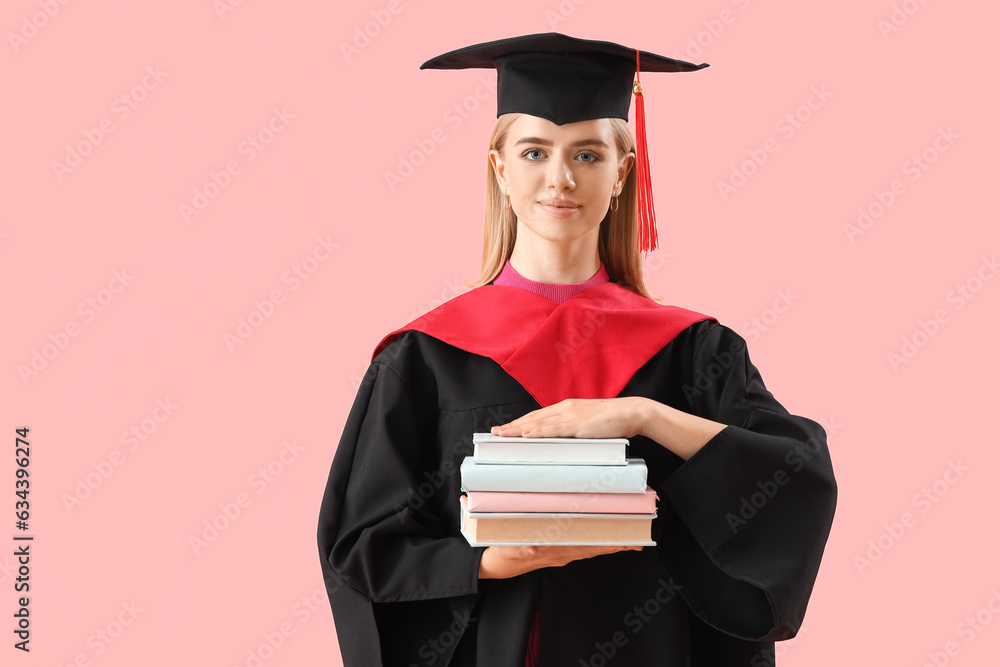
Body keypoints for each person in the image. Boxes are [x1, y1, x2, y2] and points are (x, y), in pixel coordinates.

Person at [317, 32, 837, 666]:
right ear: (501, 169)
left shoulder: (694, 350)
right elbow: (360, 546)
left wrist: (643, 416)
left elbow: (794, 474)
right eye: (534, 151)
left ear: (622, 173)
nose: (560, 178)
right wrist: (481, 561)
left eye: (588, 155)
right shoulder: (426, 357)